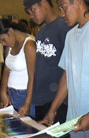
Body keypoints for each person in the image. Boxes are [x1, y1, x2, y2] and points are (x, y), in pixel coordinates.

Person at [40, 0, 89, 137]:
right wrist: (53, 109)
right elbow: (68, 76)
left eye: (64, 7)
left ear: (78, 2)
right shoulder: (70, 36)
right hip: (75, 121)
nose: (62, 14)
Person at [23, 0, 71, 123]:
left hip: (58, 102)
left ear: (44, 3)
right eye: (29, 13)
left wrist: (54, 107)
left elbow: (69, 71)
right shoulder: (41, 31)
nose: (31, 16)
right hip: (41, 99)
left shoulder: (65, 27)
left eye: (33, 10)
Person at [0, 18, 36, 117]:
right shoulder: (9, 46)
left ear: (10, 31)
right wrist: (3, 91)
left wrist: (27, 104)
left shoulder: (29, 45)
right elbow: (6, 70)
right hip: (12, 94)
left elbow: (32, 77)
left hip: (25, 95)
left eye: (3, 40)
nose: (3, 44)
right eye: (0, 42)